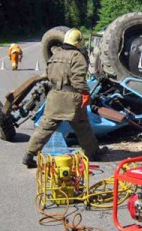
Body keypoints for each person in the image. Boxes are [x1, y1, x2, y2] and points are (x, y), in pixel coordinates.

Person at [22, 28, 107, 168]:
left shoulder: (55, 55)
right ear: (79, 42)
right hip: (71, 98)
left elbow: (49, 74)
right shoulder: (77, 56)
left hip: (54, 96)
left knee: (45, 127)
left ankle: (28, 154)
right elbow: (78, 79)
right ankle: (93, 153)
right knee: (82, 126)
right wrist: (85, 93)